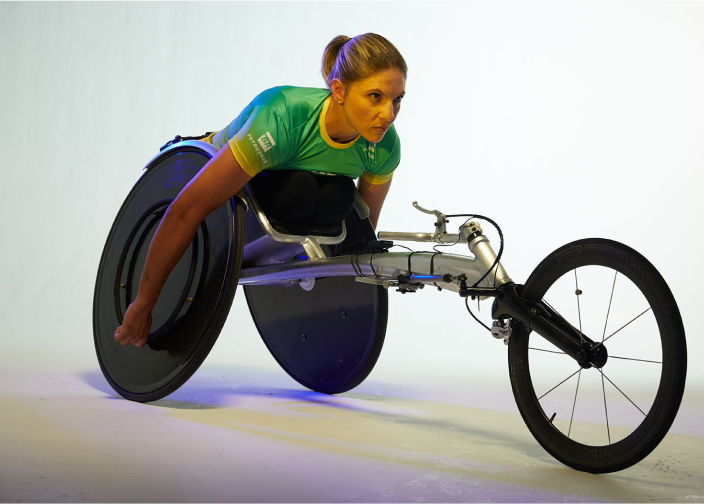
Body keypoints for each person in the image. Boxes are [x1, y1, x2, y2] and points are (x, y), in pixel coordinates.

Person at [114, 33, 407, 348]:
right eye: (375, 96)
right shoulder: (281, 117)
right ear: (339, 90)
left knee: (340, 199)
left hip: (294, 199)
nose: (388, 114)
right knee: (300, 189)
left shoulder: (384, 146)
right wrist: (142, 305)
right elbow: (185, 210)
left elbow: (361, 235)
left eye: (398, 99)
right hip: (216, 173)